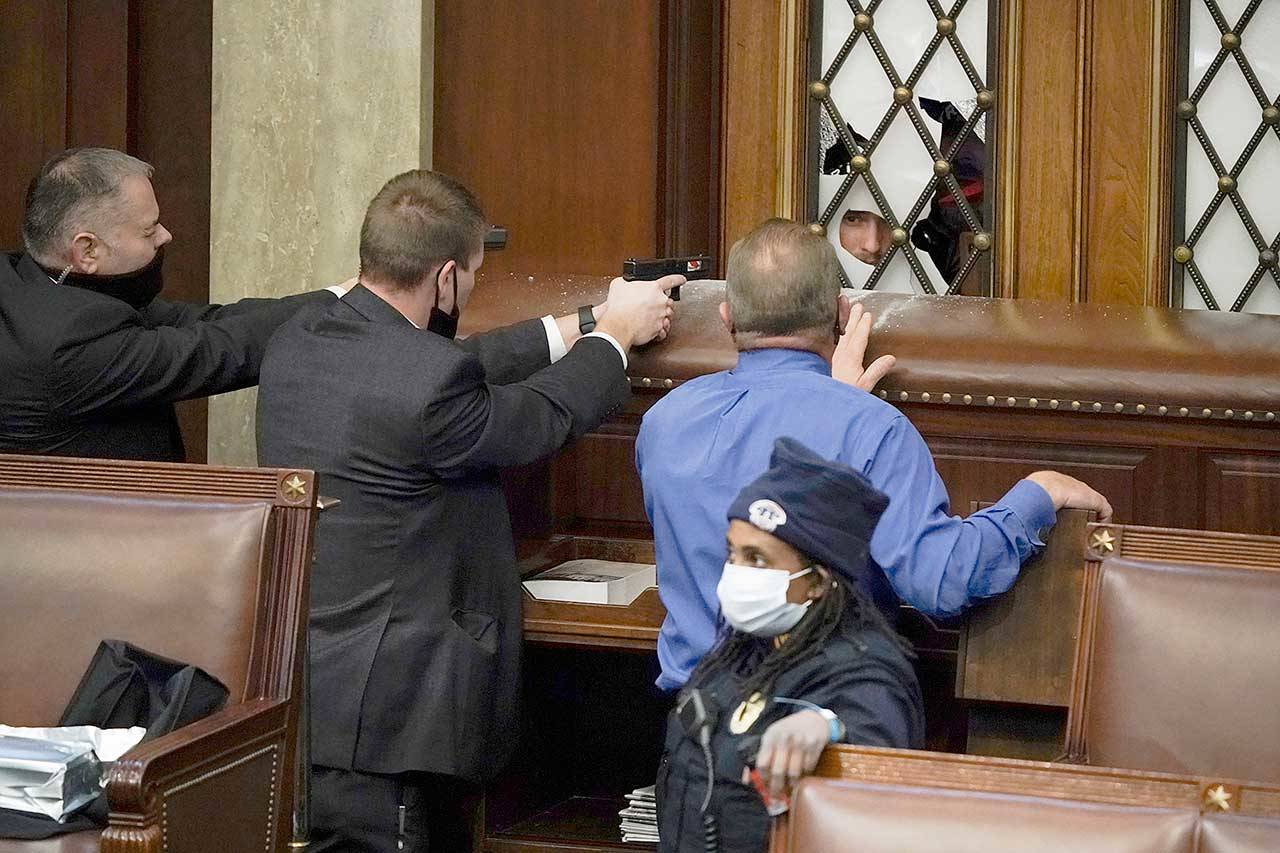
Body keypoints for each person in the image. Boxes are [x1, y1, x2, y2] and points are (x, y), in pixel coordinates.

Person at [255, 168, 678, 852]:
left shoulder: (302, 337)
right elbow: (538, 417)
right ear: (446, 277)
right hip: (393, 716)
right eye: (475, 275)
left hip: (308, 691)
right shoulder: (428, 383)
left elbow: (445, 362)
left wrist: (581, 324)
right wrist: (615, 341)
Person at [636, 218, 1112, 693]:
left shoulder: (664, 421)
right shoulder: (869, 428)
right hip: (822, 728)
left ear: (727, 318)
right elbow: (940, 581)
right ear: (842, 314)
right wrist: (1036, 496)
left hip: (693, 733)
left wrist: (834, 403)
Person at [657, 437, 924, 852]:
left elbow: (875, 734)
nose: (736, 572)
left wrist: (825, 724)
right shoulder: (747, 648)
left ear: (816, 581)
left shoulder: (867, 667)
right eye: (733, 553)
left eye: (758, 559)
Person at [0, 147, 348, 461]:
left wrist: (336, 296)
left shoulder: (32, 278)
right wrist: (357, 302)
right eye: (149, 231)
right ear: (88, 250)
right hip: (94, 527)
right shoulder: (68, 346)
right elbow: (213, 351)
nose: (166, 235)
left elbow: (202, 321)